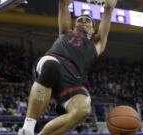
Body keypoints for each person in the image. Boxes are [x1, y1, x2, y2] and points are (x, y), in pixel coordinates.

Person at [18, 0, 117, 134]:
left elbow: (108, 10)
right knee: (52, 67)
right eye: (80, 20)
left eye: (87, 20)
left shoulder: (97, 44)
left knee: (83, 109)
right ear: (74, 26)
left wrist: (110, 5)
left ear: (93, 30)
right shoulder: (65, 32)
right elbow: (63, 4)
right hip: (54, 60)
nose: (83, 21)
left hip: (73, 77)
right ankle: (28, 128)